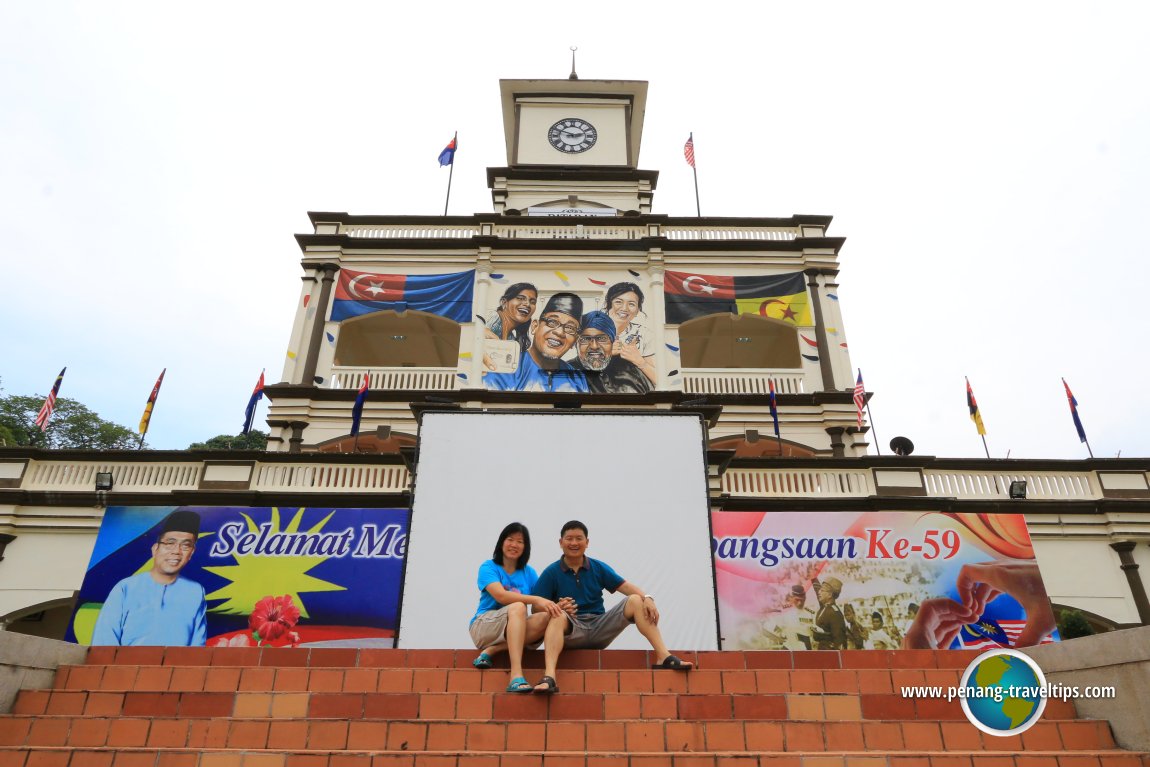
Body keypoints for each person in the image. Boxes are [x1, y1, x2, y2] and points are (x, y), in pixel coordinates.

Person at [530, 520, 692, 693]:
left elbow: (626, 587)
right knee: (556, 615)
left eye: (579, 538)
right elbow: (535, 609)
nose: (574, 543)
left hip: (599, 627)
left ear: (587, 542)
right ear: (561, 543)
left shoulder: (597, 567)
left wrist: (647, 597)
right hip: (572, 631)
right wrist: (556, 606)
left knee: (636, 600)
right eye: (569, 538)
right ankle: (550, 677)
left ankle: (663, 656)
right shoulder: (551, 572)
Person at [469, 522, 569, 693]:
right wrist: (536, 599)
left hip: (512, 630)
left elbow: (541, 605)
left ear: (525, 547)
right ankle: (516, 676)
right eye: (510, 539)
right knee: (518, 607)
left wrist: (558, 606)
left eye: (520, 541)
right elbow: (501, 596)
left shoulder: (529, 572)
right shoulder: (488, 567)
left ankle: (493, 650)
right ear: (502, 542)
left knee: (550, 616)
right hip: (484, 627)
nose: (514, 545)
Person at [91, 510, 208, 646]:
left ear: (192, 553)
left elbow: (197, 646)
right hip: (127, 666)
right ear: (155, 549)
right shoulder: (126, 587)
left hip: (174, 666)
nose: (176, 551)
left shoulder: (195, 591)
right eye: (170, 543)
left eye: (186, 545)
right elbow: (104, 639)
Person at [483, 292, 589, 393]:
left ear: (575, 341)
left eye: (570, 328)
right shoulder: (506, 369)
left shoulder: (577, 379)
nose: (560, 332)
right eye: (552, 322)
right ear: (534, 326)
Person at [568, 310, 652, 394]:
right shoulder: (565, 373)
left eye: (601, 339)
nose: (594, 346)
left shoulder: (633, 372)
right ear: (576, 343)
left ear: (613, 341)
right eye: (585, 339)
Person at [604, 282, 656, 387]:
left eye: (631, 304)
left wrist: (639, 361)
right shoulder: (591, 330)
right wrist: (605, 354)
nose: (624, 308)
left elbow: (660, 380)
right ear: (608, 305)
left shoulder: (645, 334)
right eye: (618, 302)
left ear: (637, 310)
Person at [484, 283, 538, 352]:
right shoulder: (493, 316)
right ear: (504, 302)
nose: (527, 304)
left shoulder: (511, 338)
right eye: (520, 298)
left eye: (532, 302)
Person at [769, 584, 816, 650]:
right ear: (791, 598)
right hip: (789, 649)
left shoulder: (810, 613)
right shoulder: (784, 613)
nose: (800, 603)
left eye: (802, 600)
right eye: (797, 600)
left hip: (806, 650)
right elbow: (774, 633)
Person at [810, 577, 847, 650]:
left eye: (822, 590)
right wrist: (813, 577)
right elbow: (817, 589)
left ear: (830, 595)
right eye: (820, 590)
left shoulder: (834, 613)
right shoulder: (824, 607)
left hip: (830, 654)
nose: (819, 592)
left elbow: (839, 640)